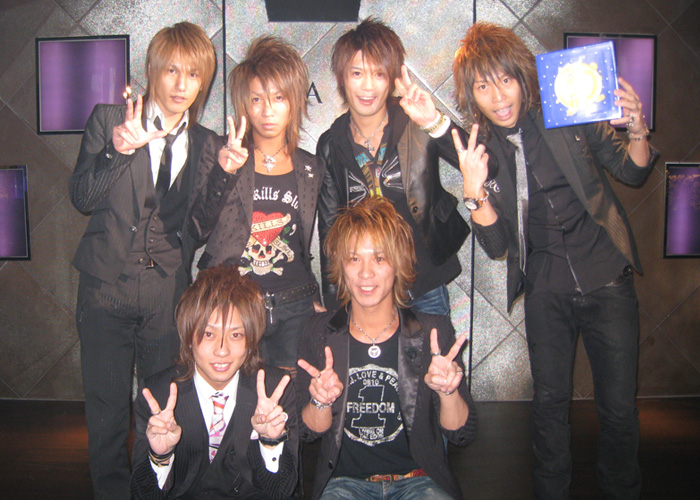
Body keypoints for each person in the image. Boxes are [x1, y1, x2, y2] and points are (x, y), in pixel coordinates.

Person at [451, 22, 658, 500]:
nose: (498, 96)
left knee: (618, 409)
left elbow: (631, 170)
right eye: (483, 86)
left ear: (523, 77)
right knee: (548, 405)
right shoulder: (482, 149)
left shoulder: (568, 111)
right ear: (471, 95)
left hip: (606, 275)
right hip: (546, 286)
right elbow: (496, 245)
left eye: (505, 79)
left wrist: (638, 131)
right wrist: (473, 191)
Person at [69, 22, 217, 500]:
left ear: (203, 82)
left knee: (160, 410)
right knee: (107, 411)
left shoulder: (208, 143)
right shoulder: (110, 119)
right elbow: (82, 198)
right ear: (153, 70)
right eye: (171, 70)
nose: (180, 84)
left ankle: (153, 492)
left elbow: (199, 229)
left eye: (192, 74)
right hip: (104, 289)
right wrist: (116, 151)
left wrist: (223, 179)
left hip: (165, 294)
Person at [296, 196, 477, 500]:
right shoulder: (318, 332)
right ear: (341, 266)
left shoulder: (432, 332)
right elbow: (308, 432)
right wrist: (320, 401)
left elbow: (461, 433)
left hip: (418, 481)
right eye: (354, 259)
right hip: (345, 484)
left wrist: (448, 392)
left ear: (398, 265)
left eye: (379, 259)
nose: (365, 273)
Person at [316, 17, 469, 315]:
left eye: (379, 74)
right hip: (366, 288)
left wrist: (433, 121)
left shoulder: (413, 120)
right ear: (342, 78)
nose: (368, 86)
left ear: (392, 79)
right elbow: (330, 230)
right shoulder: (331, 143)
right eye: (357, 73)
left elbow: (480, 163)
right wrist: (335, 306)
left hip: (424, 280)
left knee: (435, 345)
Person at [189, 36, 324, 371]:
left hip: (295, 306)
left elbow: (308, 246)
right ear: (244, 104)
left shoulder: (310, 167)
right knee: (242, 396)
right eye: (256, 99)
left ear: (294, 101)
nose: (267, 111)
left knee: (292, 394)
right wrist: (223, 173)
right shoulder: (219, 151)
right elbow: (196, 229)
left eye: (278, 98)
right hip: (233, 308)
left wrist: (316, 299)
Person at [131, 265, 299, 499]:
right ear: (188, 337)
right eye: (208, 334)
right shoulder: (157, 394)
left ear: (251, 341)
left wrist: (271, 442)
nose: (222, 350)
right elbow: (142, 495)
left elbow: (282, 491)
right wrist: (160, 457)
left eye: (236, 335)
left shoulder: (274, 390)